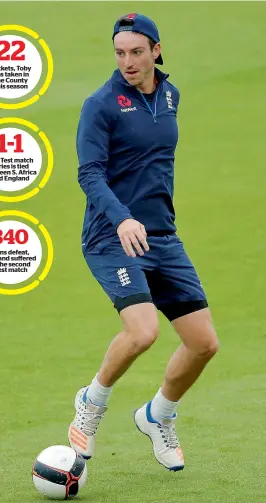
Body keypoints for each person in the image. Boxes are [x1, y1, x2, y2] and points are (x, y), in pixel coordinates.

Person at [68, 13, 219, 472]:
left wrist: (155, 223)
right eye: (120, 52)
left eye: (136, 51)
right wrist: (122, 219)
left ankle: (158, 415)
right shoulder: (102, 105)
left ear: (156, 50)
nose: (128, 61)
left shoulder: (170, 96)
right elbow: (89, 173)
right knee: (143, 332)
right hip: (112, 237)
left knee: (203, 343)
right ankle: (91, 404)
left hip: (163, 238)